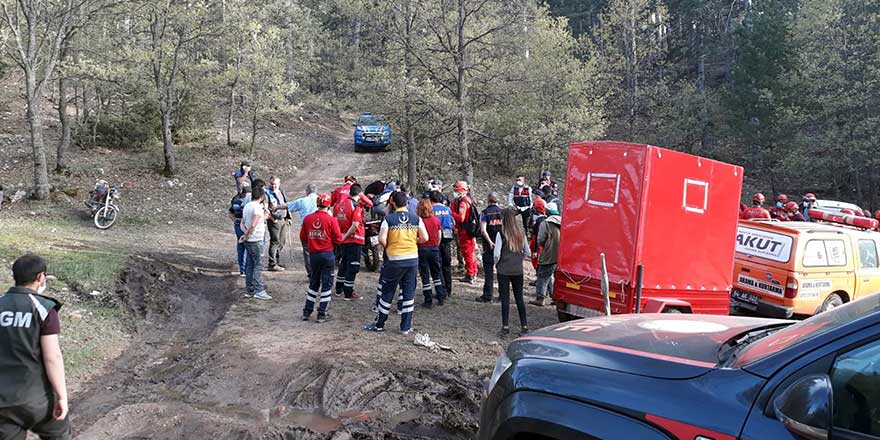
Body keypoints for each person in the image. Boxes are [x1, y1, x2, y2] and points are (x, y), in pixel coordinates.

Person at [0, 254, 71, 440]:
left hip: (3, 404)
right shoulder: (44, 308)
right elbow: (52, 357)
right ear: (40, 277)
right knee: (59, 434)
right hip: (37, 400)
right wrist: (62, 397)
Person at [365, 192, 428, 335]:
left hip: (394, 259)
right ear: (407, 203)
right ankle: (405, 327)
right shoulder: (416, 218)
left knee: (387, 292)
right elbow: (425, 237)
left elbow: (381, 239)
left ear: (392, 203)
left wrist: (389, 245)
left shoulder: (388, 219)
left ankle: (379, 324)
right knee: (408, 293)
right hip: (412, 259)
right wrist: (413, 242)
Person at [300, 194, 343, 322]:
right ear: (329, 206)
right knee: (326, 285)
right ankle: (322, 313)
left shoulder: (308, 219)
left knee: (314, 282)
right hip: (327, 255)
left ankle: (307, 312)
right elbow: (338, 239)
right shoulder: (331, 220)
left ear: (317, 204)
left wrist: (311, 245)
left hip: (313, 256)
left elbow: (303, 237)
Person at [494, 209, 530, 336]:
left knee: (505, 299)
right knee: (519, 298)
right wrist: (520, 259)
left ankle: (505, 326)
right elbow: (527, 252)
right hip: (517, 270)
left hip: (503, 269)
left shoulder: (501, 233)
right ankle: (524, 326)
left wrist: (496, 264)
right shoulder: (521, 233)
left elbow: (497, 253)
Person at [334, 183, 372, 300]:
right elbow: (355, 224)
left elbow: (336, 220)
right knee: (353, 266)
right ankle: (348, 293)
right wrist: (345, 236)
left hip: (344, 240)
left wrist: (341, 236)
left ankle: (339, 289)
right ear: (360, 194)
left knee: (344, 264)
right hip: (354, 239)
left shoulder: (341, 204)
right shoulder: (356, 206)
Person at [240, 186, 271, 300]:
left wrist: (244, 234)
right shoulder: (257, 208)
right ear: (262, 197)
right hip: (255, 239)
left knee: (250, 264)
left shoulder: (247, 206)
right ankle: (259, 290)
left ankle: (250, 289)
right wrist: (248, 235)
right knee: (257, 264)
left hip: (249, 240)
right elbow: (253, 225)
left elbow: (243, 223)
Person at [417, 199, 446, 308]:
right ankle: (440, 296)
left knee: (425, 275)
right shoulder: (436, 220)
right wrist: (435, 246)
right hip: (434, 249)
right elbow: (439, 236)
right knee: (436, 273)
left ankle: (428, 299)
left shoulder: (419, 221)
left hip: (423, 249)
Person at [531, 202, 561, 306]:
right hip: (559, 255)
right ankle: (555, 297)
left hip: (548, 253)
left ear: (547, 211)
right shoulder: (562, 222)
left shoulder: (546, 223)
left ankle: (540, 298)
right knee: (551, 275)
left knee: (542, 275)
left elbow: (540, 239)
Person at [287, 184, 319, 278]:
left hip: (306, 229)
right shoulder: (321, 199)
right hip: (319, 229)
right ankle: (318, 272)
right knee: (319, 250)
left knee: (307, 251)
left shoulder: (302, 201)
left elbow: (288, 206)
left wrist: (276, 207)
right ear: (316, 191)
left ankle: (311, 273)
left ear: (307, 191)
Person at [476, 193, 503, 303]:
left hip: (489, 245)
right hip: (502, 245)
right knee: (502, 271)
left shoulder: (484, 213)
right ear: (497, 200)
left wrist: (490, 242)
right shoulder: (503, 213)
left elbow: (483, 229)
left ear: (488, 200)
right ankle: (502, 294)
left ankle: (487, 295)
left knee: (489, 271)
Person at [451, 181, 478, 284]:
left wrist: (451, 213)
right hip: (467, 230)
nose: (454, 192)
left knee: (467, 253)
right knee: (470, 252)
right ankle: (472, 272)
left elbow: (461, 218)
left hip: (465, 231)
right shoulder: (467, 199)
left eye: (456, 190)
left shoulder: (463, 202)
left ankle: (470, 274)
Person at [430, 191, 455, 298]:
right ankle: (448, 289)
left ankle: (441, 290)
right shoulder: (447, 209)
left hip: (436, 238)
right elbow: (453, 222)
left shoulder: (431, 210)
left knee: (438, 265)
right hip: (448, 237)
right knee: (447, 264)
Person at [265, 177, 291, 271]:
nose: (274, 186)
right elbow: (266, 209)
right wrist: (272, 219)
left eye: (275, 184)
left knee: (282, 241)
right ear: (269, 183)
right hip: (274, 221)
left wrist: (288, 217)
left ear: (279, 184)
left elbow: (286, 204)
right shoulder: (267, 193)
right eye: (272, 184)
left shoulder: (281, 191)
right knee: (275, 241)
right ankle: (272, 263)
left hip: (283, 219)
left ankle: (277, 260)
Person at [229, 184, 251, 277]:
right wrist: (236, 221)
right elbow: (231, 212)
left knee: (241, 245)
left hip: (239, 224)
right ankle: (244, 269)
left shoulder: (236, 199)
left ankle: (244, 269)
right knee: (244, 245)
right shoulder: (239, 201)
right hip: (242, 225)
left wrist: (235, 221)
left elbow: (230, 212)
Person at [529, 197, 547, 270]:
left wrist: (535, 250)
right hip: (543, 244)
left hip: (537, 243)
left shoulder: (539, 221)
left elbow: (537, 235)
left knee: (536, 261)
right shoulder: (546, 219)